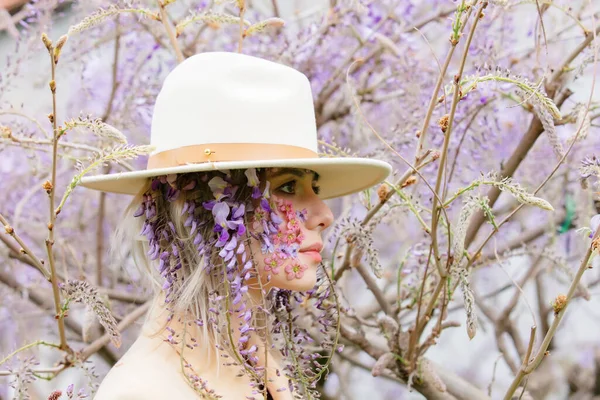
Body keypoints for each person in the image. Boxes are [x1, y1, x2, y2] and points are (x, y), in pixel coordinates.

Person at [83, 51, 391, 399]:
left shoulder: (254, 365)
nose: (324, 214)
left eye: (314, 188)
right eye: (288, 186)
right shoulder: (147, 390)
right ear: (202, 206)